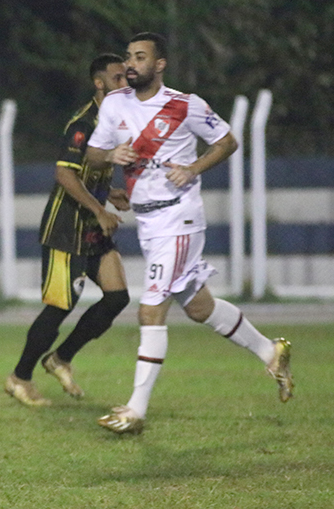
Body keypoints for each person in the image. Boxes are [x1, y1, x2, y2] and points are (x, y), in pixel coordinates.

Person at [86, 32, 293, 435]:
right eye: (129, 57)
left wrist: (194, 168)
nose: (131, 64)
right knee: (199, 308)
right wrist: (111, 154)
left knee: (150, 310)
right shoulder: (115, 104)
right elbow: (93, 151)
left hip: (178, 220)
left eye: (140, 57)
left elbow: (228, 140)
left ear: (159, 64)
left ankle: (136, 410)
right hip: (147, 221)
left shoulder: (185, 105)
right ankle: (272, 351)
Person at [5, 54, 131, 406]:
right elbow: (65, 174)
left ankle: (60, 359)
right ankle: (19, 377)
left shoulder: (114, 121)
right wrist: (99, 207)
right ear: (99, 83)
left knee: (117, 297)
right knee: (59, 307)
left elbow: (90, 174)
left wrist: (109, 193)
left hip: (93, 229)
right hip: (66, 230)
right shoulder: (83, 123)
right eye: (118, 78)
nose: (125, 84)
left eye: (127, 78)